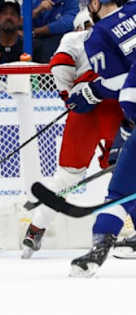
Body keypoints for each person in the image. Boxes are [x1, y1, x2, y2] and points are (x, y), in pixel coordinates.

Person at [21, 8, 123, 260]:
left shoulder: (72, 38)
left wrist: (69, 97)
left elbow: (60, 66)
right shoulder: (117, 29)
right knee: (127, 174)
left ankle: (35, 229)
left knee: (67, 177)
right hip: (115, 106)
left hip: (84, 113)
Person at [55, 0, 136, 277]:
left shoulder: (100, 33)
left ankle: (98, 248)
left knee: (119, 190)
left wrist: (93, 91)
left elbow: (120, 81)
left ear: (95, 3)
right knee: (122, 184)